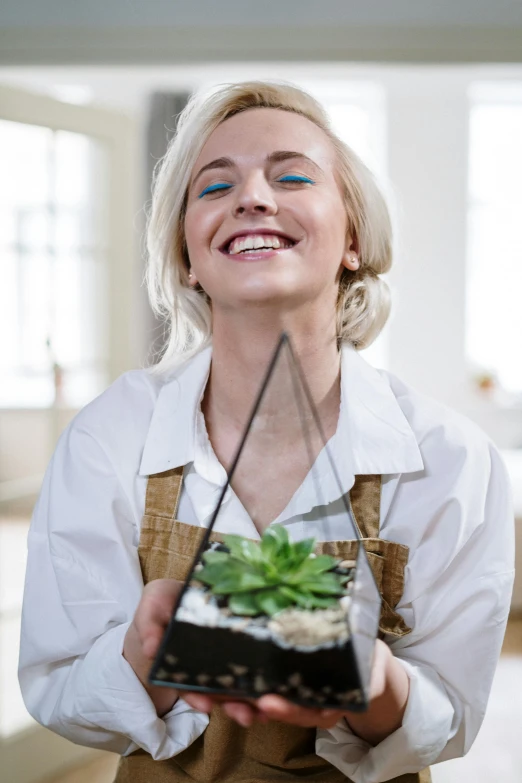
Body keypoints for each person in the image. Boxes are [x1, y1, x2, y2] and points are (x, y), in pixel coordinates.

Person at [19, 81, 514, 783]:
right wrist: (143, 652)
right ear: (188, 255)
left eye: (292, 176)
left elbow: (454, 717)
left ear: (353, 238)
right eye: (214, 186)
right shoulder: (111, 435)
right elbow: (59, 690)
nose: (252, 197)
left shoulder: (451, 459)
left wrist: (372, 679)